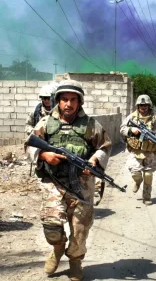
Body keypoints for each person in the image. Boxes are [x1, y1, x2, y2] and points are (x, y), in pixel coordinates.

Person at [25, 80, 112, 281]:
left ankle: (75, 261)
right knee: (52, 228)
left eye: (73, 100)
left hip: (81, 186)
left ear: (79, 102)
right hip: (53, 183)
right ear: (58, 101)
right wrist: (44, 155)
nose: (68, 104)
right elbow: (28, 143)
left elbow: (105, 146)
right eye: (64, 99)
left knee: (80, 229)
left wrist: (94, 162)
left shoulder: (91, 125)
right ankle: (57, 250)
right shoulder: (46, 123)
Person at [120, 94, 156, 206]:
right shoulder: (132, 117)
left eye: (145, 105)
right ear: (138, 106)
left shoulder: (155, 119)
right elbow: (122, 128)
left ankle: (147, 197)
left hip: (150, 152)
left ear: (149, 106)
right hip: (136, 151)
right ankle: (137, 181)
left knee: (148, 175)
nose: (143, 107)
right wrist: (132, 130)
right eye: (141, 105)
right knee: (135, 172)